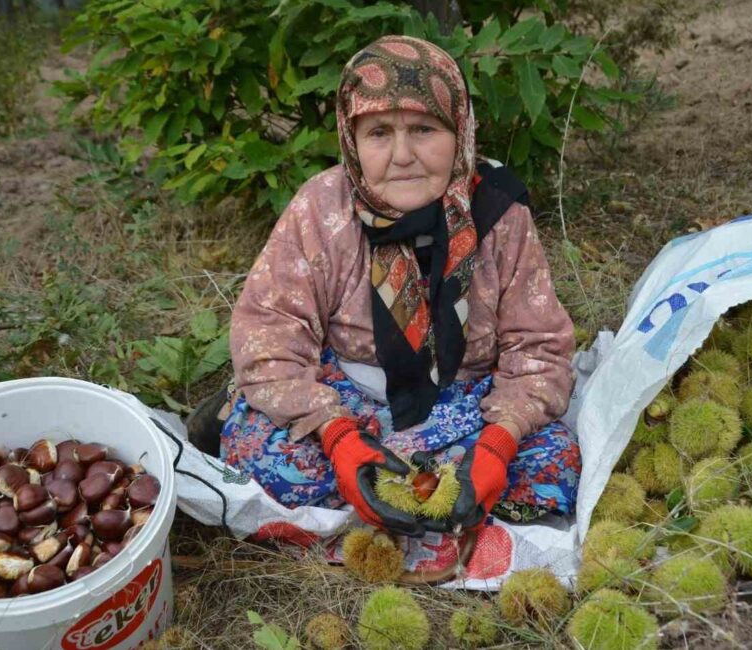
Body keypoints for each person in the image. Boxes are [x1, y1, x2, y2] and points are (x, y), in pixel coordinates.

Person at [211, 35, 580, 537]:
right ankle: (388, 491)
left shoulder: (498, 212)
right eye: (379, 132)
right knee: (259, 454)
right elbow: (269, 333)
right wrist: (338, 435)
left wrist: (499, 441)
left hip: (466, 405)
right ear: (351, 139)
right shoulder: (322, 207)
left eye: (425, 129)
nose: (402, 155)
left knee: (553, 465)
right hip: (345, 401)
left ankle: (404, 500)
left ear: (461, 132)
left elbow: (538, 347)